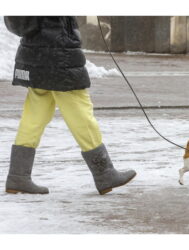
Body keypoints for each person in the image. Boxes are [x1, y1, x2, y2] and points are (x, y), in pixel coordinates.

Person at [4, 16, 136, 195]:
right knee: (80, 112)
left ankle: (18, 176)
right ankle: (104, 173)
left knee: (34, 115)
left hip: (37, 54)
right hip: (59, 56)